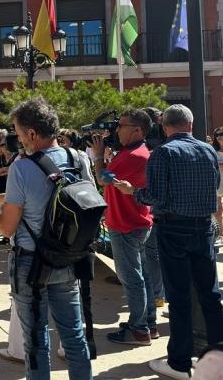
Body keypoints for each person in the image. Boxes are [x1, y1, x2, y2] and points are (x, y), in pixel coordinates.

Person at [0, 96, 93, 380]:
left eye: (17, 131)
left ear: (32, 133)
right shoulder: (79, 158)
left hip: (31, 262)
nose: (17, 138)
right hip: (69, 256)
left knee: (36, 341)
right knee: (74, 336)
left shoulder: (22, 167)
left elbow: (7, 227)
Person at [114, 104, 223, 379]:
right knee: (209, 294)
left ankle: (179, 361)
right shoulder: (208, 149)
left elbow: (155, 196)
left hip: (174, 228)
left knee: (180, 296)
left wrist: (133, 191)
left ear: (165, 126)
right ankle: (217, 353)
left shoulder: (164, 152)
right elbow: (215, 185)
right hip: (203, 226)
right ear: (191, 123)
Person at [91, 110, 157, 346]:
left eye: (122, 125)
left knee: (132, 278)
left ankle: (139, 330)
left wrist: (98, 156)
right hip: (134, 222)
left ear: (137, 130)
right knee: (142, 275)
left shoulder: (134, 155)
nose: (117, 130)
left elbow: (102, 178)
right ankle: (148, 322)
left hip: (126, 224)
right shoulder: (134, 152)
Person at [212, 126, 223, 233]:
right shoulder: (212, 150)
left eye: (221, 134)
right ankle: (220, 232)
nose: (219, 137)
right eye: (217, 135)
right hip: (219, 181)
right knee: (218, 209)